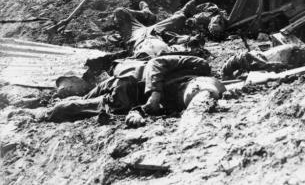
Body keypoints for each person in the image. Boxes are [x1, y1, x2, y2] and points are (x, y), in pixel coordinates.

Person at [43, 55, 225, 127]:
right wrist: (155, 92)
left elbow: (145, 109)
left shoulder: (177, 104)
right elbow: (156, 62)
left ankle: (46, 110)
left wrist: (136, 115)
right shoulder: (200, 66)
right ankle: (45, 107)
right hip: (127, 82)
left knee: (74, 106)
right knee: (80, 101)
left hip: (127, 94)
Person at [221, 41, 305, 80]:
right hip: (295, 54)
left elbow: (248, 56)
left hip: (296, 53)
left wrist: (267, 65)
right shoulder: (248, 68)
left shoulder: (248, 59)